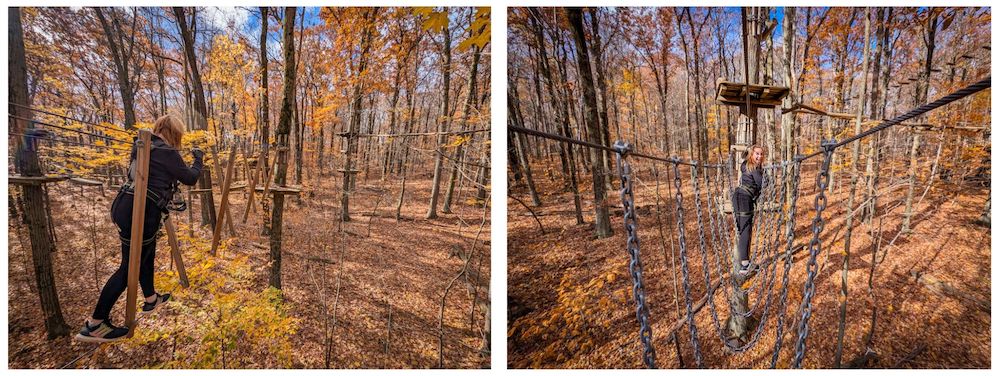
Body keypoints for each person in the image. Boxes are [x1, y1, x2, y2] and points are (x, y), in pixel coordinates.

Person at [76, 115, 204, 343]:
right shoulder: (166, 152)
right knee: (129, 268)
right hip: (141, 213)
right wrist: (198, 160)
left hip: (127, 206)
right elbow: (191, 179)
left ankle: (151, 297)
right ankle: (96, 323)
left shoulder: (143, 145)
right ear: (173, 133)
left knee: (147, 253)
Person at [733, 145, 765, 276]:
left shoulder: (745, 164)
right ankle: (744, 265)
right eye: (757, 153)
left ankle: (745, 262)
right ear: (752, 154)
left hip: (739, 197)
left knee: (744, 230)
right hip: (744, 199)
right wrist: (766, 176)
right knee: (745, 230)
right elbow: (763, 183)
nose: (759, 156)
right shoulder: (754, 169)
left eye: (761, 154)